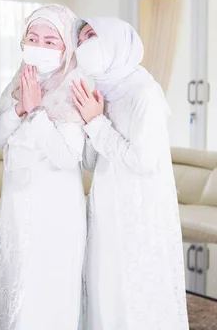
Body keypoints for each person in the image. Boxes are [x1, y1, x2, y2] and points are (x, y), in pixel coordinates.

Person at [71, 17, 189, 329]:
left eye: (92, 36)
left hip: (137, 211)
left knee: (132, 291)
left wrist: (97, 123)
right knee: (103, 288)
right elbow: (92, 163)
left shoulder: (145, 92)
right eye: (80, 40)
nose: (84, 46)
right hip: (106, 206)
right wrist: (89, 123)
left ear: (115, 42)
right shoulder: (104, 91)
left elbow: (142, 162)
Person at [0, 4, 89, 330]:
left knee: (47, 290)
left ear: (68, 47)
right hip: (17, 201)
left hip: (54, 206)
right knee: (16, 280)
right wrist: (20, 107)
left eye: (51, 41)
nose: (39, 46)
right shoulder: (18, 83)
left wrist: (35, 114)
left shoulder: (75, 88)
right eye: (32, 38)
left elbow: (66, 156)